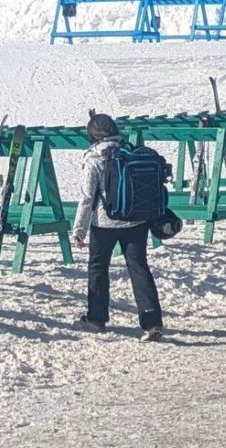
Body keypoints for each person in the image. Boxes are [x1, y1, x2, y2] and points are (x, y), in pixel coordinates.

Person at [73, 113, 165, 340]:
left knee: (98, 267)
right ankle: (152, 321)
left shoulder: (94, 157)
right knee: (139, 267)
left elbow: (87, 197)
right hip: (136, 219)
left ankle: (96, 319)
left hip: (104, 222)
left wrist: (79, 230)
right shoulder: (129, 150)